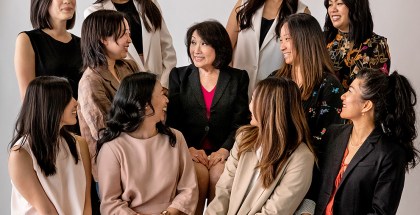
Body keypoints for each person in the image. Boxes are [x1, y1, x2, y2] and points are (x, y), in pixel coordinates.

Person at [304, 69, 419, 215]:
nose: (343, 96)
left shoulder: (390, 153)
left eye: (350, 91)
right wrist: (306, 212)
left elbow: (380, 212)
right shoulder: (333, 134)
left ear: (366, 105)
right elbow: (314, 183)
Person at [166, 20, 250, 215]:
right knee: (198, 175)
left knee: (219, 175)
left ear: (218, 47)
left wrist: (225, 149)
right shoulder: (178, 76)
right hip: (191, 148)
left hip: (223, 149)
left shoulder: (238, 78)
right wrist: (189, 148)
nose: (196, 49)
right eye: (193, 43)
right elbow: (173, 121)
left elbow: (240, 122)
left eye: (203, 43)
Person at [205, 77, 315, 214]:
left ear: (270, 107)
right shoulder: (244, 138)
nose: (249, 106)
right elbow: (223, 190)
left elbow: (275, 211)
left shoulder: (302, 158)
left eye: (253, 100)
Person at [96, 72, 198, 214]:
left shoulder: (176, 137)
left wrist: (168, 213)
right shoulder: (112, 148)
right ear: (145, 105)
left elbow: (188, 188)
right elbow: (110, 203)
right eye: (162, 94)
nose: (166, 100)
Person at [8, 76, 92, 214]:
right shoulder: (21, 154)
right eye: (67, 97)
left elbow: (86, 203)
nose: (75, 102)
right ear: (50, 104)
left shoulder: (80, 144)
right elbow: (46, 211)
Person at [78, 9, 139, 185]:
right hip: (113, 168)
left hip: (140, 154)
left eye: (129, 33)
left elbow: (151, 104)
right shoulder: (90, 81)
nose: (129, 39)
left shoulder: (129, 67)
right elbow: (106, 132)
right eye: (123, 34)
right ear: (103, 39)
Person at [272, 13, 344, 143]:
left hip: (305, 159)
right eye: (281, 40)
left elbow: (324, 141)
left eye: (287, 39)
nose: (282, 47)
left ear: (305, 40)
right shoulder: (275, 78)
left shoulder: (329, 86)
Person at [84, 0, 176, 88]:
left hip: (159, 80)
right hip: (127, 84)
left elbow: (167, 47)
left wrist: (164, 84)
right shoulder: (95, 11)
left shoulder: (150, 4)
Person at [226, 0, 310, 97]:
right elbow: (225, 48)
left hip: (272, 96)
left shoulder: (301, 11)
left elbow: (301, 62)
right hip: (235, 90)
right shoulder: (244, 3)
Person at [15, 0, 82, 100]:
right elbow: (28, 99)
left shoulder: (83, 43)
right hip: (46, 115)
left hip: (79, 115)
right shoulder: (27, 40)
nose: (67, 1)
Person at [324, 0, 391, 90]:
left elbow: (375, 92)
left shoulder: (377, 44)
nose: (332, 9)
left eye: (339, 3)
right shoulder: (321, 40)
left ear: (355, 6)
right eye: (330, 4)